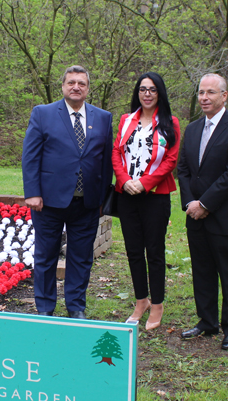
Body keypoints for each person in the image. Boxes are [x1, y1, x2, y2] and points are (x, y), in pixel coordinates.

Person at [22, 65, 113, 318]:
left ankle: (76, 307)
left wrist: (103, 198)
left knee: (82, 258)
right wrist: (32, 192)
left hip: (87, 204)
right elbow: (30, 156)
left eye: (81, 83)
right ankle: (45, 308)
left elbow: (105, 162)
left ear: (87, 88)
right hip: (48, 202)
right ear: (62, 86)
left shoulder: (103, 118)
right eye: (71, 82)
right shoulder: (43, 114)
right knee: (45, 256)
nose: (76, 87)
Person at [178, 73, 228, 350]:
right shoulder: (193, 129)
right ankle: (207, 322)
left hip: (225, 216)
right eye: (201, 92)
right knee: (202, 271)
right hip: (195, 216)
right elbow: (183, 169)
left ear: (224, 96)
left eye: (211, 92)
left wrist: (205, 204)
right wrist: (190, 204)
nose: (204, 97)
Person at [112, 72, 180, 330]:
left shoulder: (169, 122)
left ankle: (158, 304)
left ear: (159, 93)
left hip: (155, 196)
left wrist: (145, 182)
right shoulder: (126, 120)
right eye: (143, 89)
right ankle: (141, 301)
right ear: (137, 93)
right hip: (127, 195)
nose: (147, 93)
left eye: (152, 89)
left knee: (154, 251)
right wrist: (125, 179)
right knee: (133, 251)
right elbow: (117, 152)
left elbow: (171, 160)